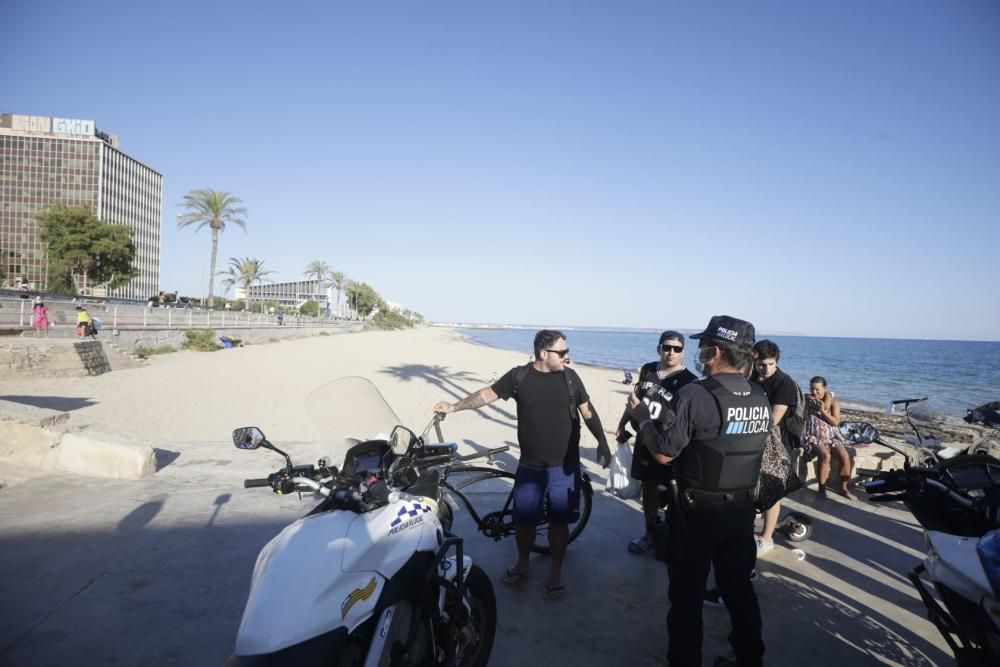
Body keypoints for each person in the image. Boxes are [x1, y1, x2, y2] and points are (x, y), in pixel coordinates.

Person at [628, 315, 768, 667]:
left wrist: (643, 419)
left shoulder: (695, 394)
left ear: (715, 351)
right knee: (738, 588)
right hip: (740, 511)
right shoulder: (759, 394)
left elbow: (663, 450)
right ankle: (750, 657)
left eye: (704, 347)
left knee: (687, 595)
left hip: (697, 513)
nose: (701, 354)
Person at [432, 330, 611, 600]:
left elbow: (587, 411)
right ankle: (523, 562)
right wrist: (455, 407)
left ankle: (555, 571)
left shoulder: (571, 378)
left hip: (564, 467)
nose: (567, 357)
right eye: (562, 353)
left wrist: (603, 442)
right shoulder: (519, 376)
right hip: (530, 467)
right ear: (543, 353)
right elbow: (486, 395)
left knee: (559, 522)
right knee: (524, 520)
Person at [616, 330, 697, 555]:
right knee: (648, 489)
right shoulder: (648, 370)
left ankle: (672, 537)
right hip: (644, 440)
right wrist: (623, 423)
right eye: (666, 347)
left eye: (677, 348)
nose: (671, 352)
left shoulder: (690, 381)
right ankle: (650, 534)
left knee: (673, 492)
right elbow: (634, 402)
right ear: (659, 348)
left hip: (672, 444)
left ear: (683, 352)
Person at [750, 339, 799, 557]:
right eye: (761, 364)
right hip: (754, 442)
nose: (766, 369)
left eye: (770, 364)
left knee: (772, 492)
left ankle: (767, 538)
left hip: (778, 446)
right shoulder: (752, 377)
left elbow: (772, 419)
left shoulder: (784, 382)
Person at [804, 376, 855, 499]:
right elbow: (804, 396)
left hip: (831, 436)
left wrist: (822, 411)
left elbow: (836, 423)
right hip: (813, 436)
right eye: (812, 389)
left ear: (825, 388)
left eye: (817, 389)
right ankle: (822, 489)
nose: (814, 392)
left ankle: (843, 488)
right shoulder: (809, 399)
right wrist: (815, 399)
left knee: (845, 456)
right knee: (825, 455)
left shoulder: (833, 402)